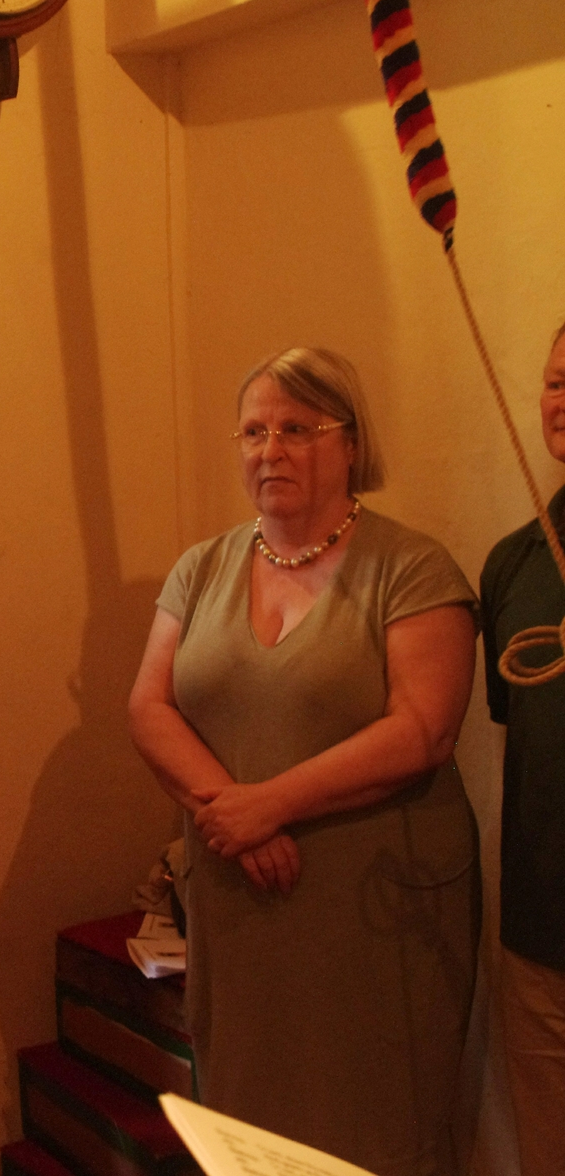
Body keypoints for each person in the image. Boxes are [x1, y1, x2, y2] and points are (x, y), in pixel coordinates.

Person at [128, 347, 479, 1176]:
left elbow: (423, 730)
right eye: (253, 432)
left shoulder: (413, 566)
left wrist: (272, 804)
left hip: (375, 916)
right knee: (251, 1130)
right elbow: (148, 705)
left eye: (296, 429)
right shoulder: (201, 567)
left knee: (377, 1131)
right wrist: (235, 813)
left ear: (350, 443)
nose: (270, 450)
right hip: (239, 905)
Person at [478, 321, 565, 1176]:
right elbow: (522, 735)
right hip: (539, 939)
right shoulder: (512, 564)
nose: (562, 400)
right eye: (556, 381)